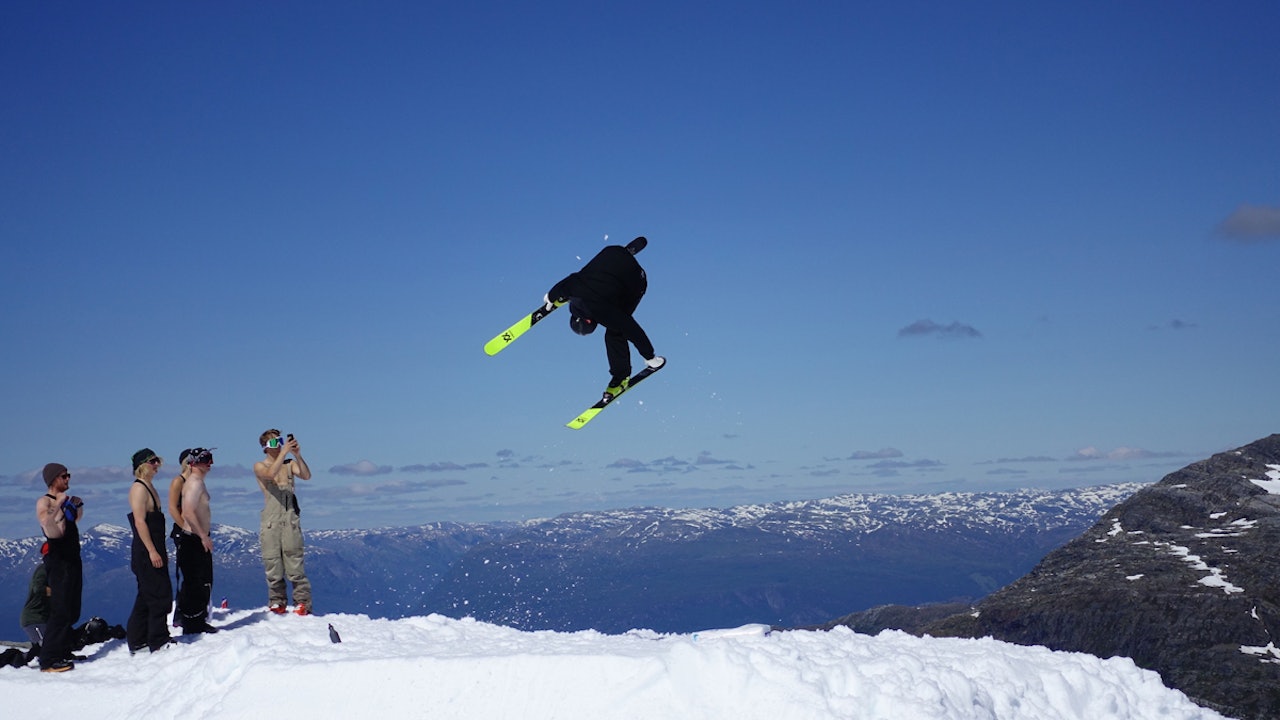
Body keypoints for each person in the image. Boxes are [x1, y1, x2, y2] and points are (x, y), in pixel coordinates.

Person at [546, 236, 665, 400]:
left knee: (615, 333)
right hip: (613, 252)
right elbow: (564, 284)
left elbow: (633, 330)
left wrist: (650, 357)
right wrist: (550, 297)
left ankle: (620, 378)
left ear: (591, 321)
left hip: (636, 279)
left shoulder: (607, 314)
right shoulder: (571, 288)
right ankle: (627, 251)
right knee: (591, 279)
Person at [254, 429, 313, 615]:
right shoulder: (260, 466)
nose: (278, 446)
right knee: (272, 562)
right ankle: (277, 601)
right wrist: (284, 452)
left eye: (280, 442)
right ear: (265, 447)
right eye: (274, 443)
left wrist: (297, 455)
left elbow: (306, 475)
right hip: (271, 520)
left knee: (294, 561)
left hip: (289, 518)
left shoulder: (289, 465)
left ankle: (302, 602)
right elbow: (270, 474)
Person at [34, 462, 83, 673]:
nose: (68, 479)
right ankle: (49, 658)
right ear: (54, 479)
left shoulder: (64, 499)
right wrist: (59, 505)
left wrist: (76, 507)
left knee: (72, 607)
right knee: (60, 607)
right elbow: (47, 524)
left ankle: (62, 649)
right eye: (64, 476)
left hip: (72, 557)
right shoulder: (44, 501)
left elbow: (73, 522)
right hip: (58, 559)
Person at [126, 448, 173, 653]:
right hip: (146, 550)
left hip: (154, 547)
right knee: (158, 595)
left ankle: (138, 640)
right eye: (152, 461)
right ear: (142, 465)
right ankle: (158, 639)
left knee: (146, 595)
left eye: (157, 461)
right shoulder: (139, 489)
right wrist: (152, 551)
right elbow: (140, 522)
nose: (156, 465)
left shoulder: (149, 486)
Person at [175, 448, 218, 635]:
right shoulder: (194, 483)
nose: (210, 464)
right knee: (195, 582)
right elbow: (188, 512)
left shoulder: (198, 482)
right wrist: (202, 536)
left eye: (210, 459)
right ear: (193, 462)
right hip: (193, 539)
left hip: (196, 538)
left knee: (202, 581)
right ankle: (192, 624)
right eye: (206, 459)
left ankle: (197, 621)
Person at [20, 548, 50, 664]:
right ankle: (12, 662)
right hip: (34, 618)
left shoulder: (51, 570)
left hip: (41, 618)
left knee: (41, 648)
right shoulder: (43, 569)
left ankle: (17, 662)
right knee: (44, 647)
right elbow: (38, 588)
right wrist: (57, 592)